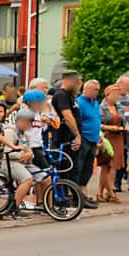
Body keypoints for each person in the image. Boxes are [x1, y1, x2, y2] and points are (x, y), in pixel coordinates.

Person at [50, 71, 90, 206]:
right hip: (64, 139)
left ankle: (75, 198)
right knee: (65, 169)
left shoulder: (71, 96)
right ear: (69, 81)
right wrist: (77, 135)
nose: (80, 85)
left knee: (75, 169)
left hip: (71, 138)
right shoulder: (61, 96)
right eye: (78, 82)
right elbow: (67, 117)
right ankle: (62, 198)